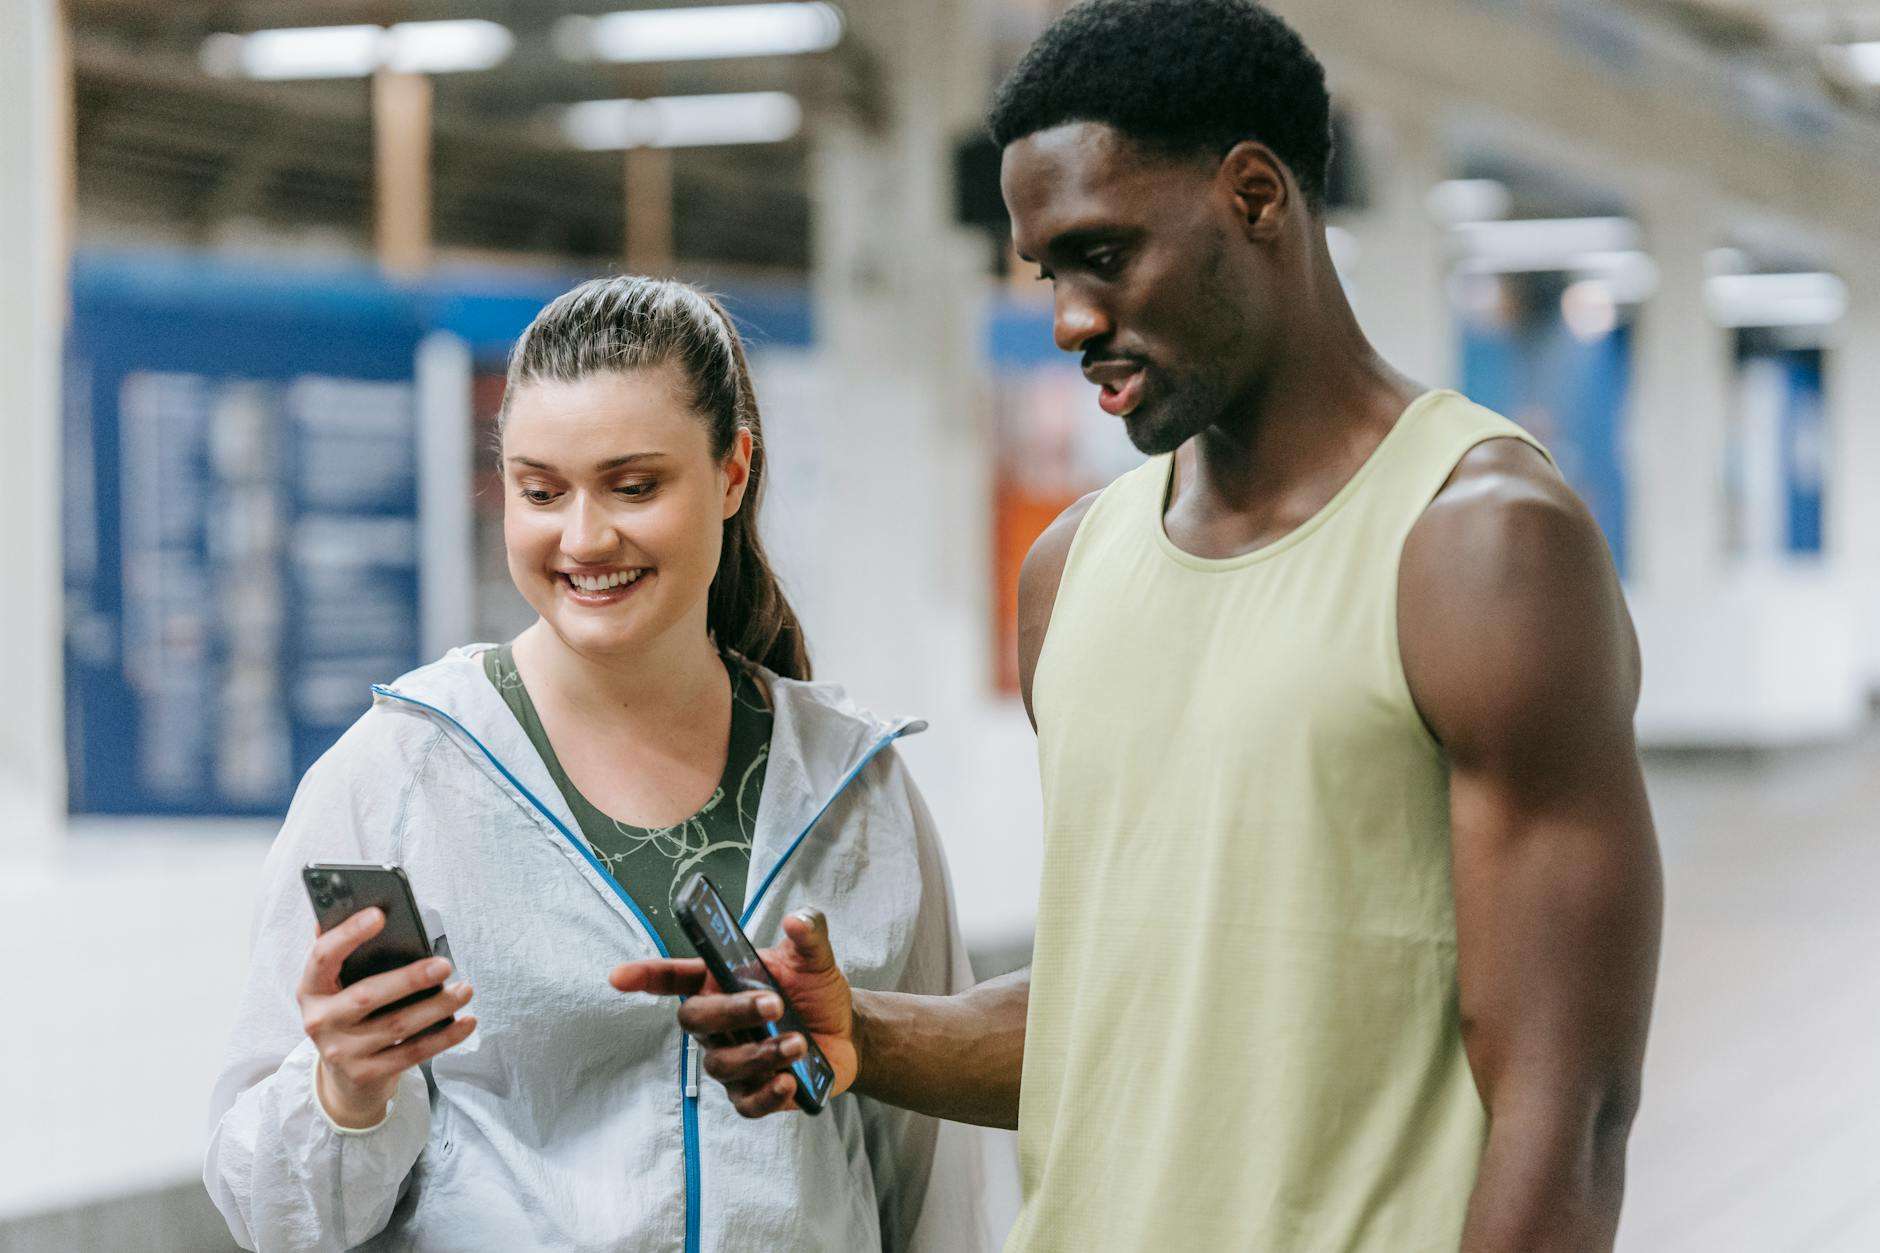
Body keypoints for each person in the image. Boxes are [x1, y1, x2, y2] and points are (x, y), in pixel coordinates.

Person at [613, 2, 1664, 1249]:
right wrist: (862, 1029)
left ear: (1256, 197)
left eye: (1102, 256)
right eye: (1046, 271)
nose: (1066, 318)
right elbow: (1129, 1009)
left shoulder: (1477, 541)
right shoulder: (1072, 571)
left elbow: (1566, 1105)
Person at [204, 276, 985, 1252]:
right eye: (540, 490)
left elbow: (928, 1179)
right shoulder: (400, 773)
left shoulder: (853, 786)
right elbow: (270, 1212)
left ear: (732, 472)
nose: (581, 538)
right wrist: (346, 1089)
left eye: (634, 485)